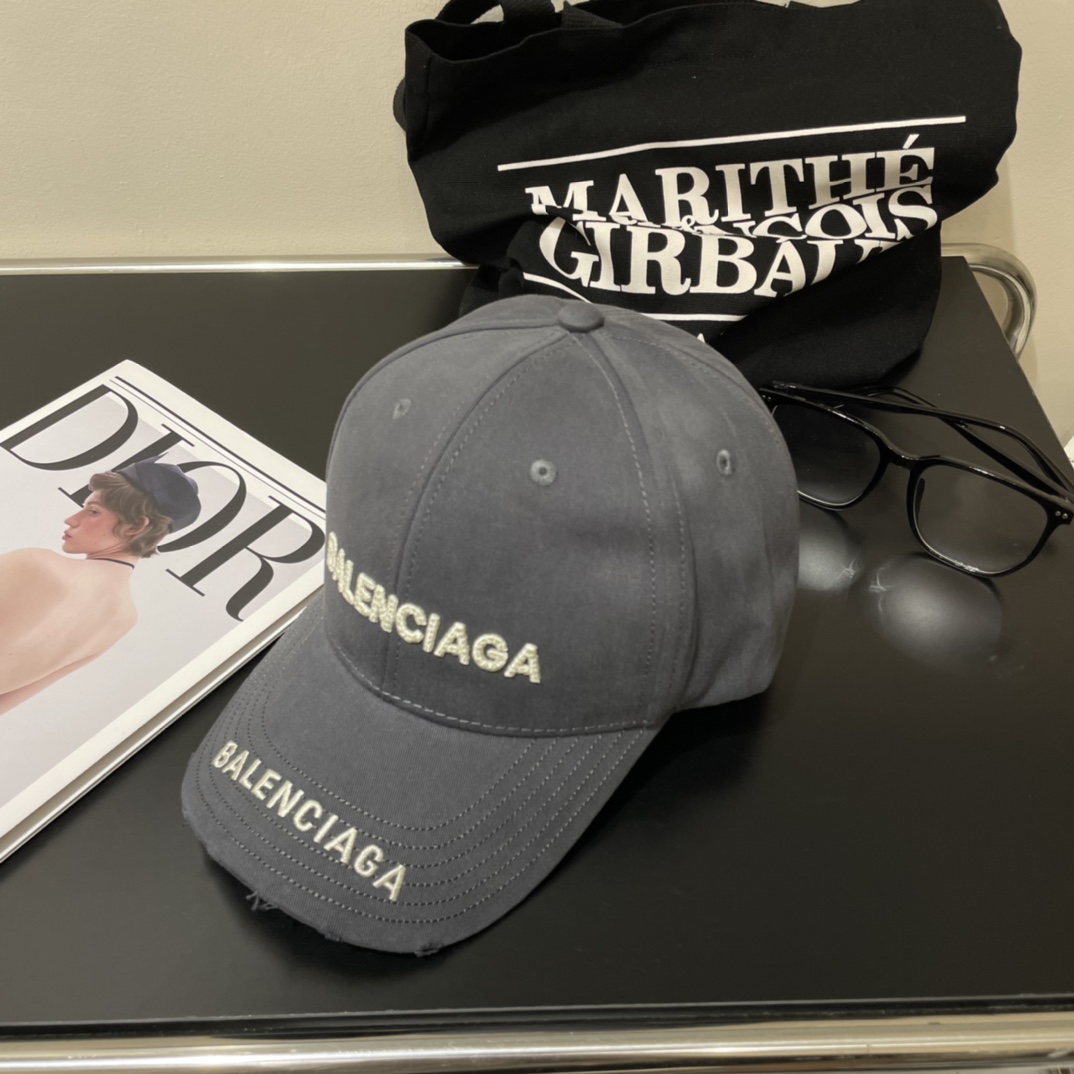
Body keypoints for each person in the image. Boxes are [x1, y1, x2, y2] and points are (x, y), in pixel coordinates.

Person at [0, 458, 201, 715]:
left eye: (93, 511)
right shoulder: (123, 620)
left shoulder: (37, 563)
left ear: (135, 526)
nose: (71, 519)